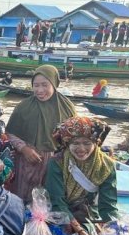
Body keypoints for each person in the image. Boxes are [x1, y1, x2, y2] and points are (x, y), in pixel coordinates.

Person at [6, 65, 77, 203]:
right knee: (22, 200)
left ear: (54, 83)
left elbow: (75, 137)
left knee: (50, 200)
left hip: (56, 163)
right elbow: (10, 133)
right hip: (27, 162)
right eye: (36, 85)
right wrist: (24, 149)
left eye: (45, 85)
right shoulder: (23, 107)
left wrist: (58, 158)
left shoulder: (67, 107)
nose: (39, 90)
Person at [45, 117, 116, 235]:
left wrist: (113, 226)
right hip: (59, 212)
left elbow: (108, 206)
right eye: (75, 143)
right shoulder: (56, 163)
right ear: (67, 143)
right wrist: (80, 231)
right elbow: (57, 201)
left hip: (87, 213)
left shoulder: (107, 166)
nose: (81, 148)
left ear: (96, 143)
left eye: (87, 143)